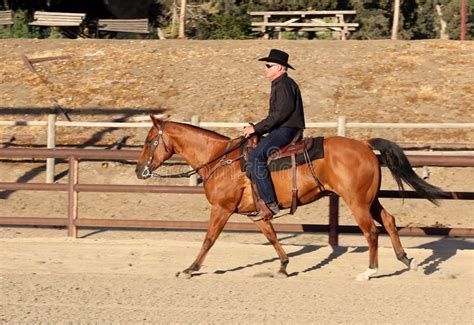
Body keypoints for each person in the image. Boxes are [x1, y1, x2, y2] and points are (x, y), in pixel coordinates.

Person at [242, 49, 305, 219]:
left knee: (256, 157)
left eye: (268, 66)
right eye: (266, 66)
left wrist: (256, 129)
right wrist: (258, 127)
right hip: (282, 128)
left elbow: (279, 115)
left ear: (280, 68)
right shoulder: (281, 84)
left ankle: (270, 203)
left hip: (286, 129)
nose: (265, 69)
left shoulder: (284, 85)